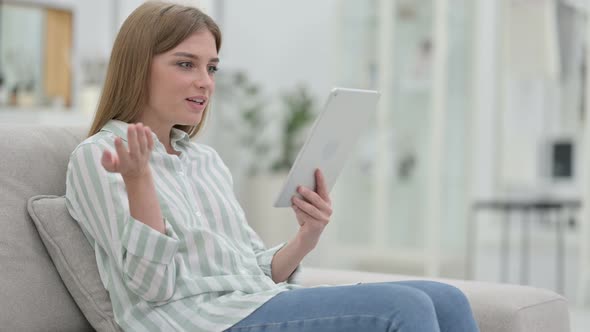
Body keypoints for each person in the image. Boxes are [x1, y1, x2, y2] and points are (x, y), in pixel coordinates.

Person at [65, 1, 480, 331]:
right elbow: (152, 290)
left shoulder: (203, 160)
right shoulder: (99, 157)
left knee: (448, 299)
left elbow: (253, 269)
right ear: (139, 67)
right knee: (402, 307)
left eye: (211, 68)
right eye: (185, 63)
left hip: (256, 302)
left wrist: (307, 236)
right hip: (198, 323)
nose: (205, 81)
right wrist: (140, 181)